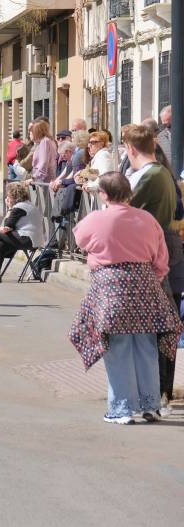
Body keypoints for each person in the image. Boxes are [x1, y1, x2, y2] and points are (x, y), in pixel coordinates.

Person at [69, 172, 180, 424]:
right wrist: (151, 277)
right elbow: (161, 259)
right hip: (146, 285)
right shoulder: (147, 219)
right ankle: (150, 405)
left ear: (103, 194)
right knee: (147, 346)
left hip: (111, 287)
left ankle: (122, 409)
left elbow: (80, 240)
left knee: (118, 347)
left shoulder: (95, 219)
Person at [121, 122, 184, 408]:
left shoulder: (153, 175)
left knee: (161, 325)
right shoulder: (157, 173)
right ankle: (157, 391)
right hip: (157, 253)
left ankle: (158, 392)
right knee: (160, 324)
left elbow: (124, 209)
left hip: (155, 255)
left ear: (130, 148)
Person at [0, 182, 45, 282]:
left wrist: (9, 208)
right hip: (27, 238)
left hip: (28, 239)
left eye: (8, 196)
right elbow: (7, 227)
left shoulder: (19, 207)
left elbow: (7, 225)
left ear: (14, 197)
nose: (7, 198)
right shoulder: (26, 205)